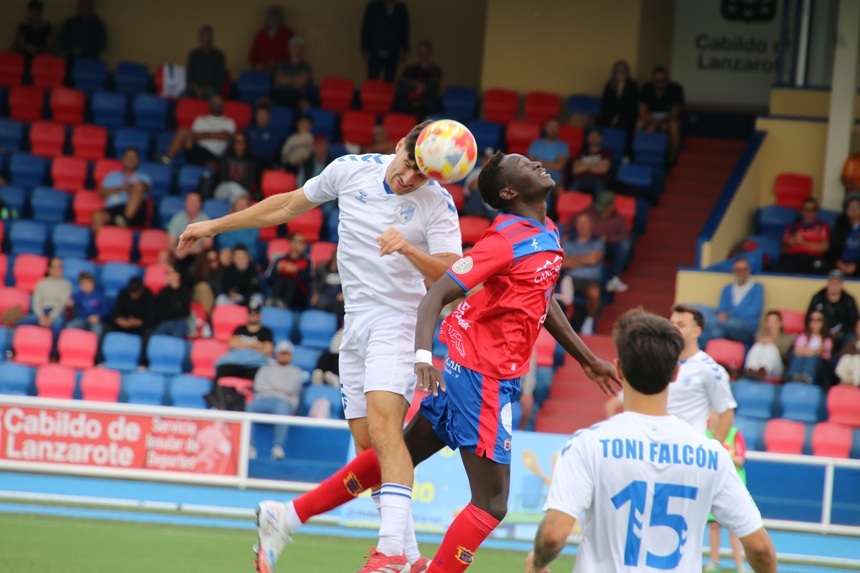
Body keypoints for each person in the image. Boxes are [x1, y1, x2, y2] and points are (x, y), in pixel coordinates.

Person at [245, 152, 618, 573]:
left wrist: (587, 359)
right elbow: (435, 296)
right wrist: (423, 356)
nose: (535, 164)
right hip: (483, 376)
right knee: (492, 503)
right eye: (523, 164)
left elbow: (542, 300)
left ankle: (288, 514)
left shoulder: (546, 229)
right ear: (509, 191)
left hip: (475, 371)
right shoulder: (503, 240)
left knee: (396, 454)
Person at [178, 120, 464, 573]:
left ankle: (390, 552)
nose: (409, 179)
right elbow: (287, 204)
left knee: (386, 431)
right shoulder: (350, 170)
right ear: (399, 145)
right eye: (409, 165)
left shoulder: (438, 203)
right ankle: (403, 557)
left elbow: (452, 282)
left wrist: (409, 250)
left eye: (422, 175)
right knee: (369, 449)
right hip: (354, 324)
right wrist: (215, 226)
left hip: (399, 321)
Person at [527, 309, 776, 573]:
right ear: (675, 373)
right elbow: (760, 547)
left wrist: (538, 563)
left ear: (619, 369)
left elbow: (553, 534)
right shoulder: (713, 455)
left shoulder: (587, 444)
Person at [605, 304, 737, 441]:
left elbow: (726, 412)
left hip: (687, 445)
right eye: (672, 323)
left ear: (696, 332)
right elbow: (613, 404)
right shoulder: (657, 361)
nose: (674, 328)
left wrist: (714, 448)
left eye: (681, 325)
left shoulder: (710, 368)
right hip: (653, 443)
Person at [705, 410, 751, 573]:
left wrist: (721, 454)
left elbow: (740, 459)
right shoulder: (704, 434)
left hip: (733, 487)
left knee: (735, 527)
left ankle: (739, 565)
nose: (716, 416)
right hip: (712, 486)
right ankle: (714, 563)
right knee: (714, 525)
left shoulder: (734, 434)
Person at [247, 340, 304, 460]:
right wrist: (280, 388)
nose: (284, 356)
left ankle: (278, 447)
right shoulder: (265, 368)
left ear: (291, 355)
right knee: (248, 408)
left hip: (283, 401)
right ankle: (250, 446)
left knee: (283, 409)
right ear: (276, 354)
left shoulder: (296, 371)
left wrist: (271, 386)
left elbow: (291, 388)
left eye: (287, 353)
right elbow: (258, 386)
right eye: (282, 353)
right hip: (263, 399)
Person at [570, 190, 629, 292]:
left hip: (608, 246)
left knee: (625, 245)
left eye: (605, 208)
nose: (602, 211)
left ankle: (614, 278)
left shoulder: (619, 218)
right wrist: (566, 233)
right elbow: (573, 219)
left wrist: (609, 239)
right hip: (590, 243)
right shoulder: (590, 211)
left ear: (611, 206)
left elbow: (625, 235)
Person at [162, 94, 236, 170]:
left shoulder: (229, 122)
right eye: (214, 103)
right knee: (182, 132)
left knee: (212, 167)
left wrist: (204, 135)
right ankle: (167, 160)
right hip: (196, 150)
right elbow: (194, 137)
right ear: (210, 104)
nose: (216, 105)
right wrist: (216, 135)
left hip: (213, 155)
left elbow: (225, 135)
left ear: (223, 105)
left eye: (219, 103)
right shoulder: (200, 120)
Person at [701, 257, 764, 347]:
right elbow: (721, 311)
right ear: (734, 271)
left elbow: (753, 312)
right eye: (738, 269)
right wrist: (727, 315)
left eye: (744, 269)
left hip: (747, 327)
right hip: (727, 325)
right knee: (716, 333)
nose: (741, 272)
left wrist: (730, 313)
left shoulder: (757, 288)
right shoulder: (727, 289)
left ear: (749, 270)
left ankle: (698, 350)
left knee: (712, 322)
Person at [561, 213, 604, 335]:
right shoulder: (568, 240)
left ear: (591, 225)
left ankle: (589, 322)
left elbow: (593, 259)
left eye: (586, 223)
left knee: (594, 293)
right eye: (580, 223)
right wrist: (585, 259)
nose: (583, 226)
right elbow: (562, 262)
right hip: (569, 278)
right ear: (576, 225)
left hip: (589, 281)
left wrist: (572, 259)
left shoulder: (598, 241)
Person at [93, 147, 152, 232]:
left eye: (133, 158)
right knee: (98, 216)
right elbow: (101, 192)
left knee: (138, 187)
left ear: (138, 161)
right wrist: (121, 188)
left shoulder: (143, 176)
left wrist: (133, 187)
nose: (130, 160)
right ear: (123, 159)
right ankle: (99, 241)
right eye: (128, 157)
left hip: (136, 212)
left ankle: (125, 220)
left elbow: (148, 188)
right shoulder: (112, 175)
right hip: (115, 209)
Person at [636, 66, 685, 164]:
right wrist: (654, 122)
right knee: (638, 124)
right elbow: (642, 112)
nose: (661, 82)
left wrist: (659, 123)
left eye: (664, 79)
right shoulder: (646, 88)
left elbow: (674, 114)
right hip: (650, 117)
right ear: (652, 80)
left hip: (667, 118)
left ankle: (671, 158)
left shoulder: (675, 89)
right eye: (658, 80)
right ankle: (636, 154)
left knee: (674, 126)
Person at [214, 302, 274, 381]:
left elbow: (267, 350)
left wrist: (242, 344)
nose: (253, 315)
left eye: (256, 313)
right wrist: (256, 345)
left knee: (262, 376)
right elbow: (232, 344)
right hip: (236, 363)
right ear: (247, 315)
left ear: (260, 315)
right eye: (250, 313)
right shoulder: (240, 329)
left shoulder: (266, 332)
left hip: (255, 365)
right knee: (222, 370)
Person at [19, 257, 72, 341]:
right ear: (49, 269)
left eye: (61, 267)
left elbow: (62, 303)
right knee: (23, 321)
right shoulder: (41, 283)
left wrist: (51, 317)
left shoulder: (66, 284)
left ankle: (53, 349)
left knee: (57, 324)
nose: (59, 269)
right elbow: (36, 302)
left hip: (57, 312)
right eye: (56, 267)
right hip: (42, 311)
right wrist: (41, 315)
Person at [773, 197, 830, 274]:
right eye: (806, 209)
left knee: (821, 269)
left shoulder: (822, 226)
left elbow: (825, 248)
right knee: (778, 270)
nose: (810, 213)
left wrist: (803, 242)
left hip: (814, 258)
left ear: (817, 212)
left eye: (813, 210)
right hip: (793, 257)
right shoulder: (792, 227)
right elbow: (783, 250)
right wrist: (788, 244)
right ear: (801, 211)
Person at [807, 269, 859, 351]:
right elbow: (809, 318)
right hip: (822, 334)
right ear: (828, 282)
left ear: (842, 284)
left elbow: (855, 322)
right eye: (832, 282)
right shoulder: (818, 298)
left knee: (850, 338)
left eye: (837, 282)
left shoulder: (848, 300)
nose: (835, 285)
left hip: (842, 335)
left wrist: (842, 332)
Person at [361, 0, 410, 81]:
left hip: (393, 50)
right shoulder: (373, 6)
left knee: (389, 80)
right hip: (374, 50)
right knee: (372, 79)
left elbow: (404, 29)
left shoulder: (401, 8)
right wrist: (364, 48)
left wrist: (405, 49)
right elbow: (366, 28)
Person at [394, 40, 442, 118]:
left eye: (426, 52)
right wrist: (418, 87)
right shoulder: (410, 70)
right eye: (421, 53)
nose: (423, 55)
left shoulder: (435, 71)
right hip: (408, 106)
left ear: (430, 54)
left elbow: (433, 85)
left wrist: (414, 84)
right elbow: (401, 85)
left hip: (426, 107)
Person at [744, 310, 795, 380]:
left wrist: (772, 342)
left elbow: (784, 352)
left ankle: (762, 371)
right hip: (757, 367)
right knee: (758, 346)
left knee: (770, 347)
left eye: (775, 322)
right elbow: (756, 339)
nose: (772, 324)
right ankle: (751, 369)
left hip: (776, 369)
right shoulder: (760, 335)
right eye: (769, 322)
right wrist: (763, 341)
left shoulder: (786, 338)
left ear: (780, 323)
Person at [266, 232, 313, 309]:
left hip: (299, 296)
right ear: (291, 243)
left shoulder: (308, 260)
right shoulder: (280, 259)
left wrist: (297, 271)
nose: (304, 245)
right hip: (281, 290)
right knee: (281, 279)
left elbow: (309, 281)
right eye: (300, 242)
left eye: (304, 242)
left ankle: (284, 306)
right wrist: (277, 270)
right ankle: (274, 302)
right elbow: (269, 280)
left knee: (292, 281)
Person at [786, 310, 832, 386]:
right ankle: (794, 377)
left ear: (823, 323)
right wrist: (815, 351)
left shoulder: (826, 340)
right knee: (797, 356)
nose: (815, 323)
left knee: (813, 358)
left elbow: (826, 356)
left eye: (818, 320)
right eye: (812, 320)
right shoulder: (802, 336)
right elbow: (796, 351)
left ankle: (807, 378)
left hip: (818, 366)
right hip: (802, 360)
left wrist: (806, 351)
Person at [598, 60, 639, 139]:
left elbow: (632, 107)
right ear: (614, 72)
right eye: (618, 71)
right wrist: (613, 117)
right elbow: (605, 105)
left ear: (627, 72)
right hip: (610, 115)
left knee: (626, 124)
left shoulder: (632, 86)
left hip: (627, 116)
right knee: (601, 122)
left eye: (623, 70)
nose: (621, 73)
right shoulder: (609, 85)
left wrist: (619, 117)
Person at [167, 192, 212, 265]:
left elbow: (207, 245)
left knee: (208, 255)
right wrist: (176, 250)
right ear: (185, 203)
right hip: (180, 252)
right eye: (190, 202)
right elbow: (170, 243)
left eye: (195, 202)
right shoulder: (177, 218)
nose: (193, 204)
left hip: (198, 253)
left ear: (200, 204)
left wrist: (190, 251)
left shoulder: (206, 220)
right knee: (164, 254)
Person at [213, 133, 259, 203]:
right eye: (237, 141)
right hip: (224, 189)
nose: (239, 144)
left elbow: (248, 181)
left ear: (246, 144)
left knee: (237, 195)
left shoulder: (251, 161)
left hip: (242, 191)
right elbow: (223, 177)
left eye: (242, 141)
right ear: (233, 143)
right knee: (233, 187)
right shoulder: (225, 157)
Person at [185, 25, 226, 99]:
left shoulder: (219, 56)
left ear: (212, 39)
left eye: (209, 37)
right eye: (204, 37)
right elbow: (189, 76)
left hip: (212, 89)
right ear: (200, 39)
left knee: (215, 98)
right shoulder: (193, 55)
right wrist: (197, 89)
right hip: (195, 89)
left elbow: (220, 78)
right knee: (183, 96)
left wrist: (205, 90)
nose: (207, 40)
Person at [249, 5, 293, 73]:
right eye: (271, 18)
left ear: (280, 19)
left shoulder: (288, 35)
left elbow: (294, 57)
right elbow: (253, 57)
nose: (273, 20)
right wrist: (259, 65)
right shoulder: (260, 35)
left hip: (283, 71)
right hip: (263, 71)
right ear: (267, 19)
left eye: (276, 18)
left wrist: (277, 64)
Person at [527, 118, 569, 190]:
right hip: (537, 176)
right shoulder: (535, 144)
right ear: (545, 128)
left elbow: (558, 166)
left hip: (555, 180)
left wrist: (538, 161)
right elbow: (531, 164)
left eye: (555, 127)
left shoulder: (563, 146)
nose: (553, 129)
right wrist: (552, 164)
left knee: (560, 189)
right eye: (550, 126)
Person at [272, 37, 313, 109]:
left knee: (305, 105)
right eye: (294, 48)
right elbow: (278, 80)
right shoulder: (282, 65)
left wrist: (285, 79)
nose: (296, 50)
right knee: (263, 101)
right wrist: (294, 79)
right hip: (281, 93)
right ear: (289, 50)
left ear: (302, 51)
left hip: (298, 94)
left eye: (299, 48)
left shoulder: (306, 66)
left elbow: (301, 81)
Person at [570, 126, 613, 196]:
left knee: (601, 195)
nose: (594, 138)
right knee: (570, 194)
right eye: (591, 135)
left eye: (596, 135)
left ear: (601, 138)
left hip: (599, 180)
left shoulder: (606, 152)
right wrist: (596, 164)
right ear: (587, 138)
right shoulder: (581, 153)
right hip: (581, 180)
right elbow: (575, 170)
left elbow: (604, 169)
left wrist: (584, 165)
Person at [151, 265, 191, 339]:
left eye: (169, 273)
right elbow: (159, 310)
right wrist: (175, 308)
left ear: (177, 275)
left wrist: (170, 310)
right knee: (154, 339)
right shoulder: (162, 293)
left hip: (179, 322)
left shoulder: (185, 292)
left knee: (176, 339)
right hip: (165, 322)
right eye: (166, 273)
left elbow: (184, 311)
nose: (166, 275)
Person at [68, 271, 108, 338]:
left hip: (95, 319)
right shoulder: (78, 295)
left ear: (93, 283)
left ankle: (95, 345)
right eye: (83, 283)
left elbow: (106, 310)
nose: (86, 285)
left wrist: (98, 316)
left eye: (88, 282)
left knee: (97, 330)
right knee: (70, 326)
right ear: (80, 285)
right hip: (82, 318)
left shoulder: (100, 294)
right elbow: (73, 307)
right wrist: (70, 305)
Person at [310, 251, 344, 321]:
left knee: (340, 306)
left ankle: (338, 326)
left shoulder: (344, 271)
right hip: (325, 296)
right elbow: (315, 282)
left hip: (338, 298)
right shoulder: (322, 268)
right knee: (321, 303)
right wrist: (315, 294)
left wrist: (344, 294)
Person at [189, 248, 222, 317]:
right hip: (198, 302)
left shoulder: (221, 272)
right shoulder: (195, 273)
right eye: (210, 261)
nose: (214, 262)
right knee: (203, 287)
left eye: (216, 259)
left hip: (217, 301)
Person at [834, 320, 860, 387]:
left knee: (857, 359)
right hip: (847, 372)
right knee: (846, 358)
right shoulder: (849, 345)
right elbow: (842, 356)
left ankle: (854, 384)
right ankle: (845, 382)